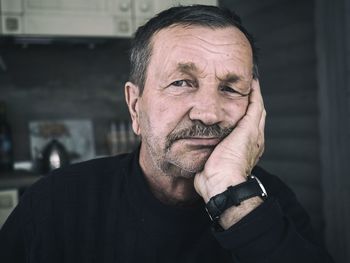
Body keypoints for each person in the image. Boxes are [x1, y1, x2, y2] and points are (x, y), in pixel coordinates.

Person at [0, 5, 334, 263]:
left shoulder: (268, 202)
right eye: (181, 82)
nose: (208, 112)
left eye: (231, 88)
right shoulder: (55, 202)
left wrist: (232, 198)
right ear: (135, 106)